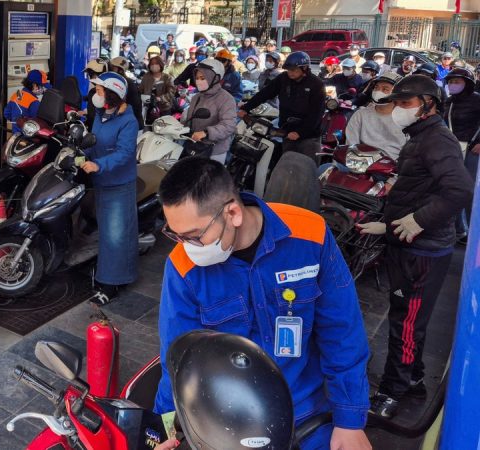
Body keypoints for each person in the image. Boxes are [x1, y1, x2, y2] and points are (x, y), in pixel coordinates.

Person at [154, 158, 372, 450]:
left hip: (306, 414)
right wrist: (166, 430)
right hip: (226, 424)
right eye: (176, 235)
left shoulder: (309, 235)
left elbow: (342, 332)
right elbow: (178, 359)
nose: (186, 247)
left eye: (194, 236)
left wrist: (350, 421)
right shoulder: (182, 267)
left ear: (233, 212)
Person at [358, 75, 473, 419]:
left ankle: (391, 392)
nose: (398, 109)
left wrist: (419, 220)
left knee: (406, 322)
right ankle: (413, 377)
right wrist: (390, 225)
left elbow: (460, 189)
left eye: (405, 103)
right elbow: (419, 190)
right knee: (409, 318)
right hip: (411, 244)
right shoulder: (420, 136)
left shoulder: (436, 139)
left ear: (429, 104)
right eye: (396, 103)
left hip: (423, 250)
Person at [82, 72, 139, 304]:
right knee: (106, 233)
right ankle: (108, 273)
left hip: (118, 184)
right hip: (101, 182)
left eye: (99, 90)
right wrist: (81, 152)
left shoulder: (128, 121)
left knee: (116, 236)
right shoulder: (101, 114)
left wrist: (98, 165)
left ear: (112, 94)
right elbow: (94, 141)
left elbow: (124, 153)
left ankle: (112, 284)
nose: (95, 94)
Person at [240, 51, 325, 159]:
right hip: (286, 132)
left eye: (294, 70)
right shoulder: (283, 78)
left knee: (308, 165)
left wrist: (300, 133)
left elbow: (317, 113)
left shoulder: (316, 84)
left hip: (309, 136)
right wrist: (246, 108)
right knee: (286, 163)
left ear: (304, 68)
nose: (290, 73)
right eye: (288, 70)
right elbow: (264, 94)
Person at [442, 68, 480, 240]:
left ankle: (475, 234)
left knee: (471, 191)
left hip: (473, 151)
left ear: (468, 84)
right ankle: (459, 229)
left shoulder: (477, 99)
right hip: (453, 149)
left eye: (457, 82)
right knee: (452, 188)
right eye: (450, 82)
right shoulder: (449, 102)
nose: (453, 85)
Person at [183, 59, 237, 163]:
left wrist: (206, 133)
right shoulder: (196, 97)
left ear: (215, 78)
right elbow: (191, 119)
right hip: (195, 147)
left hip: (215, 151)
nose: (199, 81)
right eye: (197, 78)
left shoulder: (226, 99)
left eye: (203, 78)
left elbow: (229, 125)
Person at [345, 72, 407, 160]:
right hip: (360, 163)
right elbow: (351, 146)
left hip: (393, 166)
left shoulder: (407, 120)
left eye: (385, 89)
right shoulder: (360, 115)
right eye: (376, 87)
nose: (378, 91)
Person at [3, 69, 49, 134]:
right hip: (28, 136)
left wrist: (16, 122)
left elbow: (6, 113)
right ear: (35, 85)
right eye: (42, 86)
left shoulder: (16, 95)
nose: (43, 90)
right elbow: (37, 123)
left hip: (16, 134)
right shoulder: (34, 102)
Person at [109, 56, 145, 130]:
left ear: (120, 70)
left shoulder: (126, 83)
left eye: (113, 67)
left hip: (130, 124)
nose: (110, 69)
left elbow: (134, 106)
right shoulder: (121, 81)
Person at [140, 55, 176, 122]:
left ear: (160, 64)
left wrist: (160, 98)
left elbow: (171, 92)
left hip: (164, 109)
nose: (154, 65)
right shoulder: (146, 77)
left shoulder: (167, 78)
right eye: (152, 64)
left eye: (156, 63)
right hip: (149, 108)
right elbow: (141, 90)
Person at [82, 59, 108, 131]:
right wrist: (86, 112)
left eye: (91, 75)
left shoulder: (106, 92)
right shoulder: (93, 90)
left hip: (98, 130)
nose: (90, 78)